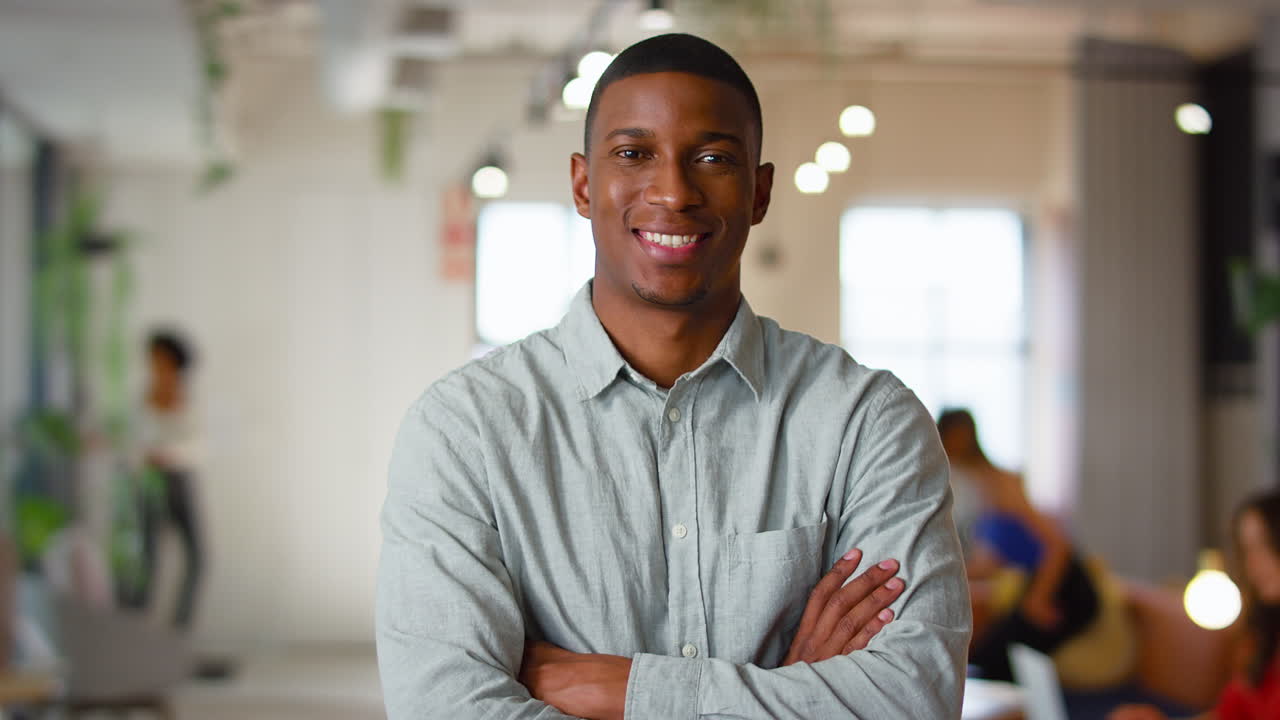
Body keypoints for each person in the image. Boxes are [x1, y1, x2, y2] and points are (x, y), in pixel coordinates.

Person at [376, 33, 970, 719]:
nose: (674, 191)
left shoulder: (866, 420)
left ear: (760, 191)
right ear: (581, 182)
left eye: (713, 159)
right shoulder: (465, 432)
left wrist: (623, 690)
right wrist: (790, 687)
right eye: (633, 154)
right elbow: (446, 709)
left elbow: (914, 700)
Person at [937, 408, 1099, 681]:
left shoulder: (1003, 482)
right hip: (1041, 582)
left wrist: (1039, 597)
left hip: (1065, 585)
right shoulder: (979, 486)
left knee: (993, 662)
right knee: (987, 658)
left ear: (959, 436)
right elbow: (988, 565)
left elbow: (1059, 545)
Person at [1110, 492, 1280, 720]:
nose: (1253, 563)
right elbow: (1229, 714)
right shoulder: (1262, 635)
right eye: (1247, 549)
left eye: (1265, 545)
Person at [130, 329, 204, 629]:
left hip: (179, 480)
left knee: (198, 558)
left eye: (159, 357)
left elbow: (195, 446)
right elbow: (132, 440)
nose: (154, 363)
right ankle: (136, 626)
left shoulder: (187, 397)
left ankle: (178, 630)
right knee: (147, 560)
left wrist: (167, 454)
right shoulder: (142, 397)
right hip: (149, 482)